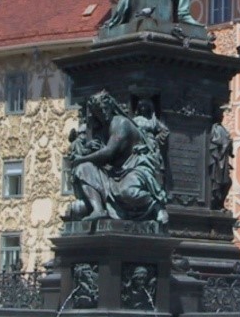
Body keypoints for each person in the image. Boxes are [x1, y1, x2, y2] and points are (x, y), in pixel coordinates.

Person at [66, 91, 168, 224]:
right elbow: (102, 154)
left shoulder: (121, 123)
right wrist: (90, 148)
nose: (102, 113)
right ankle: (98, 210)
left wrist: (82, 158)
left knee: (127, 192)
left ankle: (157, 206)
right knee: (83, 168)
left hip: (134, 167)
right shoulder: (103, 128)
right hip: (113, 172)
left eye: (104, 108)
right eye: (98, 111)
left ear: (111, 107)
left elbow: (108, 152)